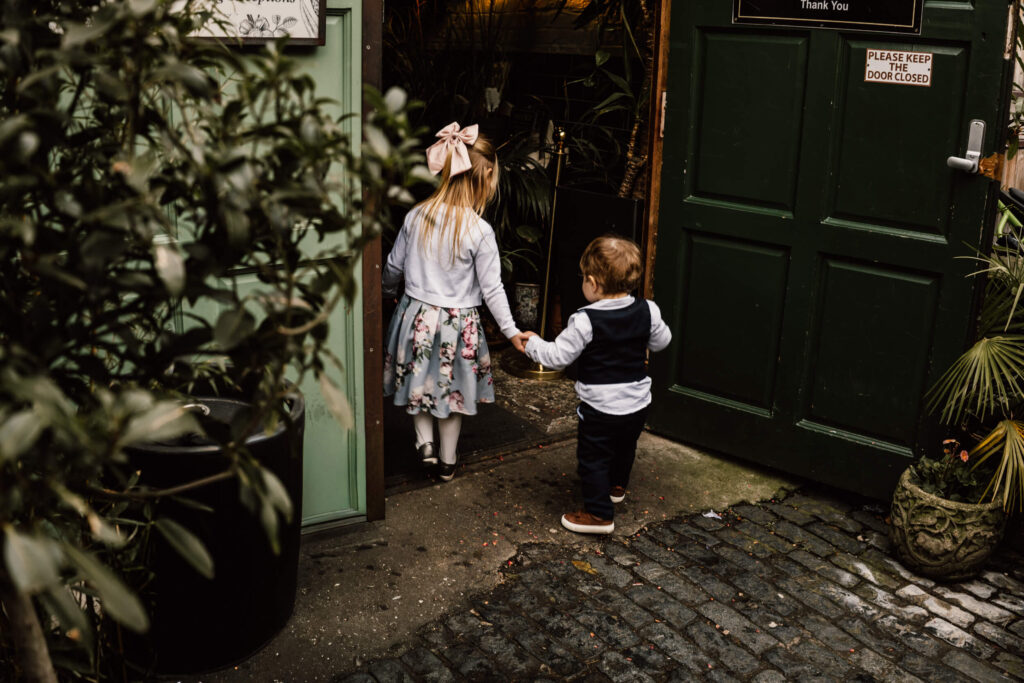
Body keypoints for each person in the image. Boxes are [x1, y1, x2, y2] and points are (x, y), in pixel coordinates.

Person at [382, 122, 521, 482]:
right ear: (486, 176)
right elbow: (493, 289)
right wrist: (512, 330)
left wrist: (385, 293)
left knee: (419, 384)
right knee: (453, 395)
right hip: (460, 327)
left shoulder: (416, 216)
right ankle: (447, 461)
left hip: (415, 316)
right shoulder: (479, 231)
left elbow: (393, 266)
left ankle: (424, 442)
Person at [514, 236, 672, 534]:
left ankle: (599, 515)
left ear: (592, 283)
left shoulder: (584, 320)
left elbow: (558, 357)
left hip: (600, 408)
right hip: (637, 403)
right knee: (625, 447)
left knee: (593, 458)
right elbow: (662, 341)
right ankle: (616, 487)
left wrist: (533, 344)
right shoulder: (648, 309)